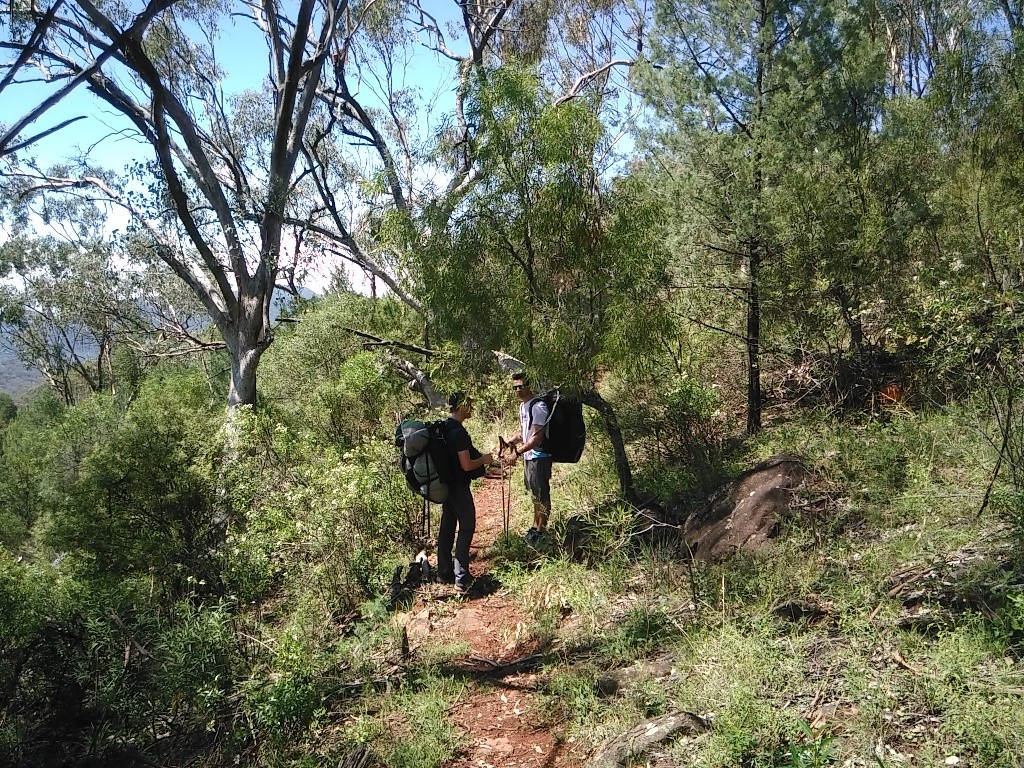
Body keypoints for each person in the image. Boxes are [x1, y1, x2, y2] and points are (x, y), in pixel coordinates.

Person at [438, 391, 493, 593]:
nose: (472, 408)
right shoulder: (458, 433)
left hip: (445, 486)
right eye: (469, 404)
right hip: (458, 486)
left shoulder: (443, 428)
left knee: (448, 526)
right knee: (467, 525)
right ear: (461, 407)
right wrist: (485, 459)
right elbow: (467, 465)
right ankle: (462, 578)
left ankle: (444, 572)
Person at [500, 372, 552, 544]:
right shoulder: (523, 406)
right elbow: (525, 433)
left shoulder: (538, 407)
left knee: (542, 495)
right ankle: (535, 526)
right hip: (529, 456)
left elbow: (537, 437)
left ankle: (541, 531)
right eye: (515, 387)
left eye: (521, 386)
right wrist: (509, 443)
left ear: (529, 386)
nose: (518, 390)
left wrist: (517, 453)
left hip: (540, 456)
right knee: (535, 495)